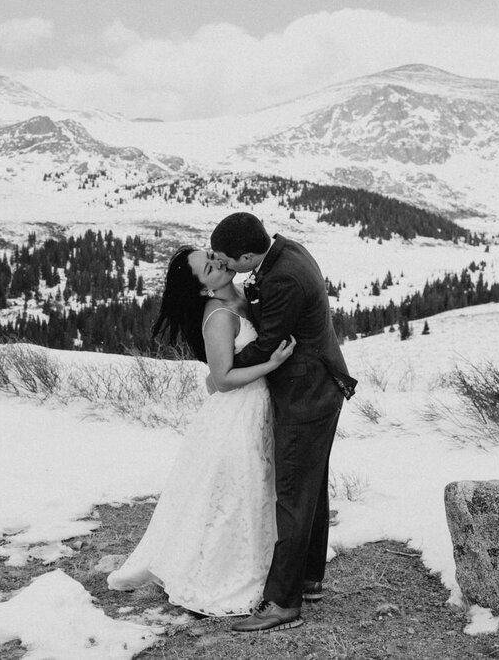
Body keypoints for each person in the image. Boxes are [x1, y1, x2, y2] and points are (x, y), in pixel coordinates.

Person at [106, 246, 296, 616]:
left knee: (260, 485)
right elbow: (223, 379)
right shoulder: (219, 315)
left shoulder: (243, 293)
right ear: (203, 290)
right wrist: (271, 364)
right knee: (237, 490)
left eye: (212, 255)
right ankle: (223, 570)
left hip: (260, 407)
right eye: (209, 268)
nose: (218, 262)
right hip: (238, 412)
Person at [210, 212, 355, 633]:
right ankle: (308, 578)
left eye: (226, 259)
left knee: (292, 493)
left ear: (249, 254)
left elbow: (270, 345)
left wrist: (223, 370)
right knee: (309, 486)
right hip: (321, 388)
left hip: (305, 394)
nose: (224, 267)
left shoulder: (282, 277)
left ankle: (282, 603)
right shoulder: (286, 251)